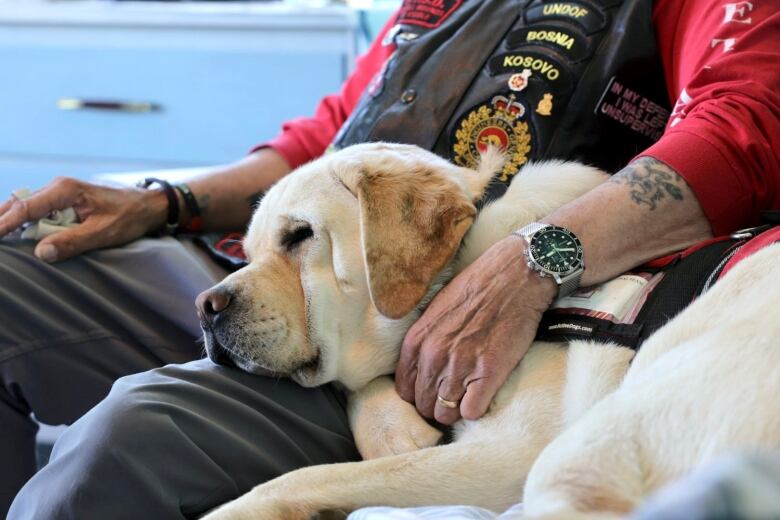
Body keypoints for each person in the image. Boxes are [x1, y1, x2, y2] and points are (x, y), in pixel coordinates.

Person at [2, 0, 779, 517]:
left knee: (136, 433)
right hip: (271, 263)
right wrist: (162, 199)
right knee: (13, 272)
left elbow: (747, 129)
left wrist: (530, 260)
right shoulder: (437, 9)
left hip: (417, 326)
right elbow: (325, 137)